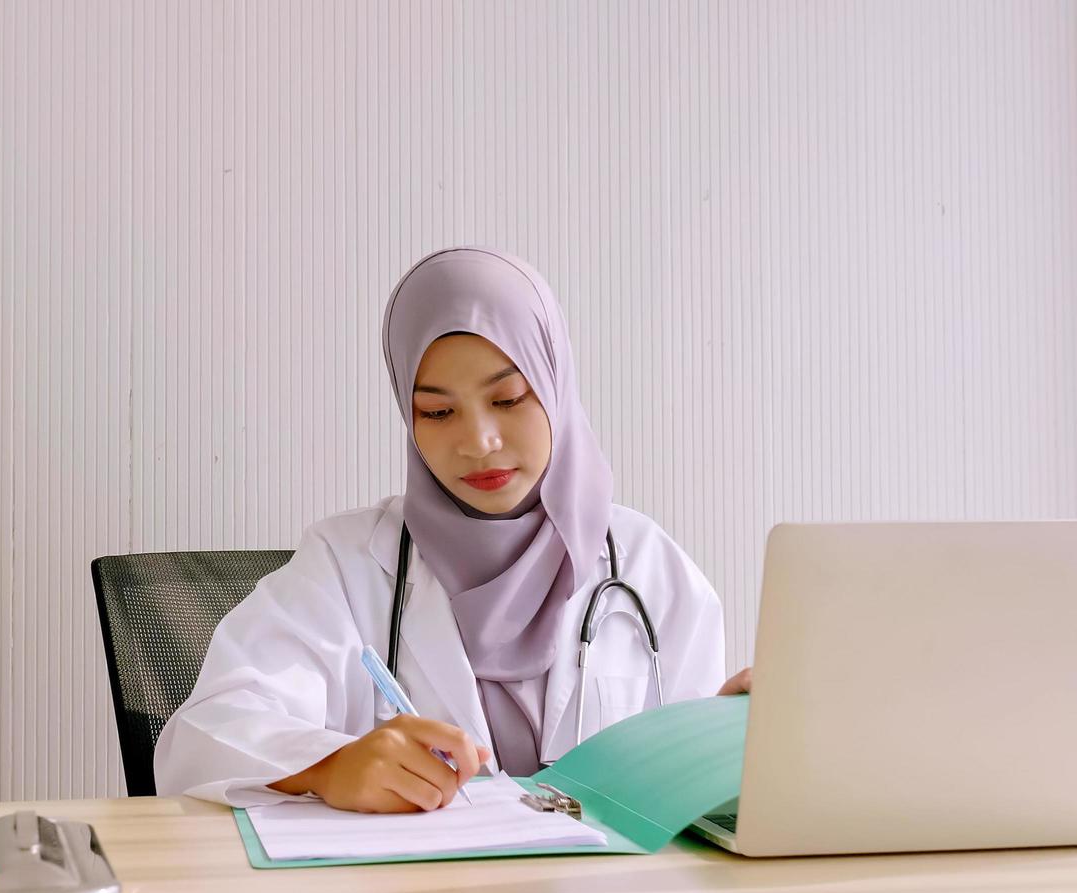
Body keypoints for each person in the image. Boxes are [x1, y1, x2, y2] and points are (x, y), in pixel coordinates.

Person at [153, 248, 750, 812]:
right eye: (437, 412)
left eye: (510, 398)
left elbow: (693, 806)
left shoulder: (650, 569)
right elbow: (201, 736)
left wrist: (727, 743)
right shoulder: (347, 564)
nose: (478, 441)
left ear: (556, 389)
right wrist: (326, 765)